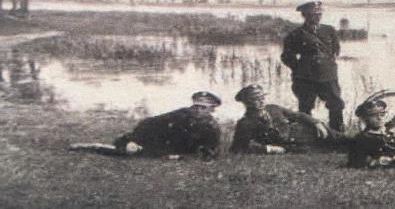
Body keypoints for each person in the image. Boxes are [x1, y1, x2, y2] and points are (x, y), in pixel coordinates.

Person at [69, 91, 222, 158]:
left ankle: (92, 147)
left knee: (133, 154)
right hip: (161, 145)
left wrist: (195, 155)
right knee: (128, 149)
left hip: (176, 150)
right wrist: (134, 140)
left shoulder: (212, 127)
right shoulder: (182, 113)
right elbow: (151, 123)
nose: (198, 110)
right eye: (196, 106)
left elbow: (210, 151)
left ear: (212, 110)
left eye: (204, 108)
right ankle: (89, 147)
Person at [280, 1, 345, 131]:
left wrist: (329, 64)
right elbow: (286, 56)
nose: (317, 17)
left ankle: (337, 133)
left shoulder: (329, 30)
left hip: (327, 75)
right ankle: (307, 134)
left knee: (336, 104)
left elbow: (335, 50)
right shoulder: (296, 34)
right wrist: (298, 67)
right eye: (313, 14)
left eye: (319, 14)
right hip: (305, 76)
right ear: (305, 15)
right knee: (305, 106)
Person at [230, 84, 348, 154]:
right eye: (256, 99)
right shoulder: (245, 123)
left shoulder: (273, 108)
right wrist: (268, 149)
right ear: (247, 102)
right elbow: (238, 148)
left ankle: (362, 141)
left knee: (344, 139)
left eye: (262, 97)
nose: (261, 101)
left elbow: (298, 115)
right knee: (333, 149)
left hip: (307, 132)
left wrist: (316, 122)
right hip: (294, 146)